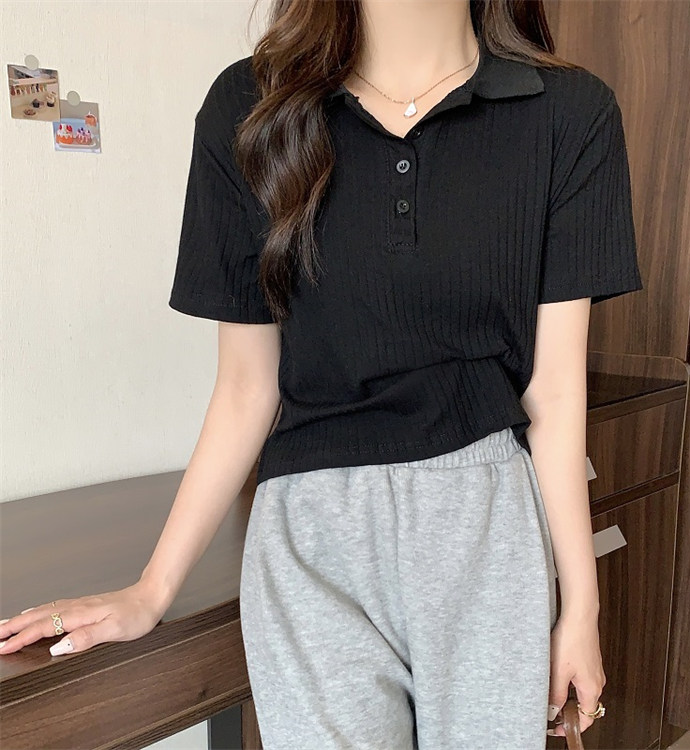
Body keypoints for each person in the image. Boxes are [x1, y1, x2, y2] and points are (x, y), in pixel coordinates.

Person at [0, 0, 643, 747]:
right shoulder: (249, 107)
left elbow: (554, 392)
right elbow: (247, 386)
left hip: (485, 530)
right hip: (310, 539)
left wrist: (581, 606)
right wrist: (152, 589)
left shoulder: (569, 113)